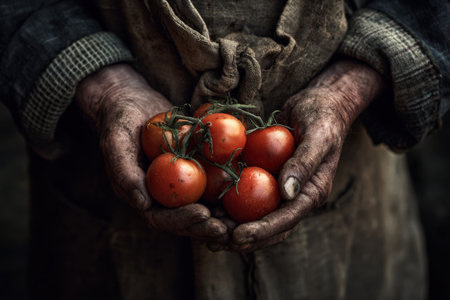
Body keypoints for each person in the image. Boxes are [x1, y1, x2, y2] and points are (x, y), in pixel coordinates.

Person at [1, 0, 449, 299]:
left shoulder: (199, 146)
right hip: (98, 209)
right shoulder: (203, 147)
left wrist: (349, 89)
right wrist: (104, 88)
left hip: (353, 199)